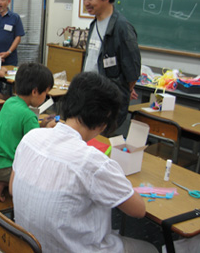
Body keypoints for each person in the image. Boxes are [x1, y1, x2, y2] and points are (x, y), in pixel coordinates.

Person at [9, 72, 158, 253]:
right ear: (105, 121)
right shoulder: (94, 162)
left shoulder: (31, 138)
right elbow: (138, 210)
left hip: (27, 244)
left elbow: (12, 188)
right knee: (150, 248)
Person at [71, 0, 141, 128]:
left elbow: (132, 72)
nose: (86, 3)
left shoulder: (122, 28)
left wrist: (122, 90)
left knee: (103, 144)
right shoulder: (94, 24)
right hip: (89, 98)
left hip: (107, 104)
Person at [0, 63, 55, 202]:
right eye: (45, 92)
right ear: (35, 92)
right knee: (45, 177)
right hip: (5, 167)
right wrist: (47, 130)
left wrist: (40, 125)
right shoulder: (28, 116)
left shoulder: (10, 102)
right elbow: (37, 147)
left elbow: (22, 130)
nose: (46, 97)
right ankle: (4, 182)